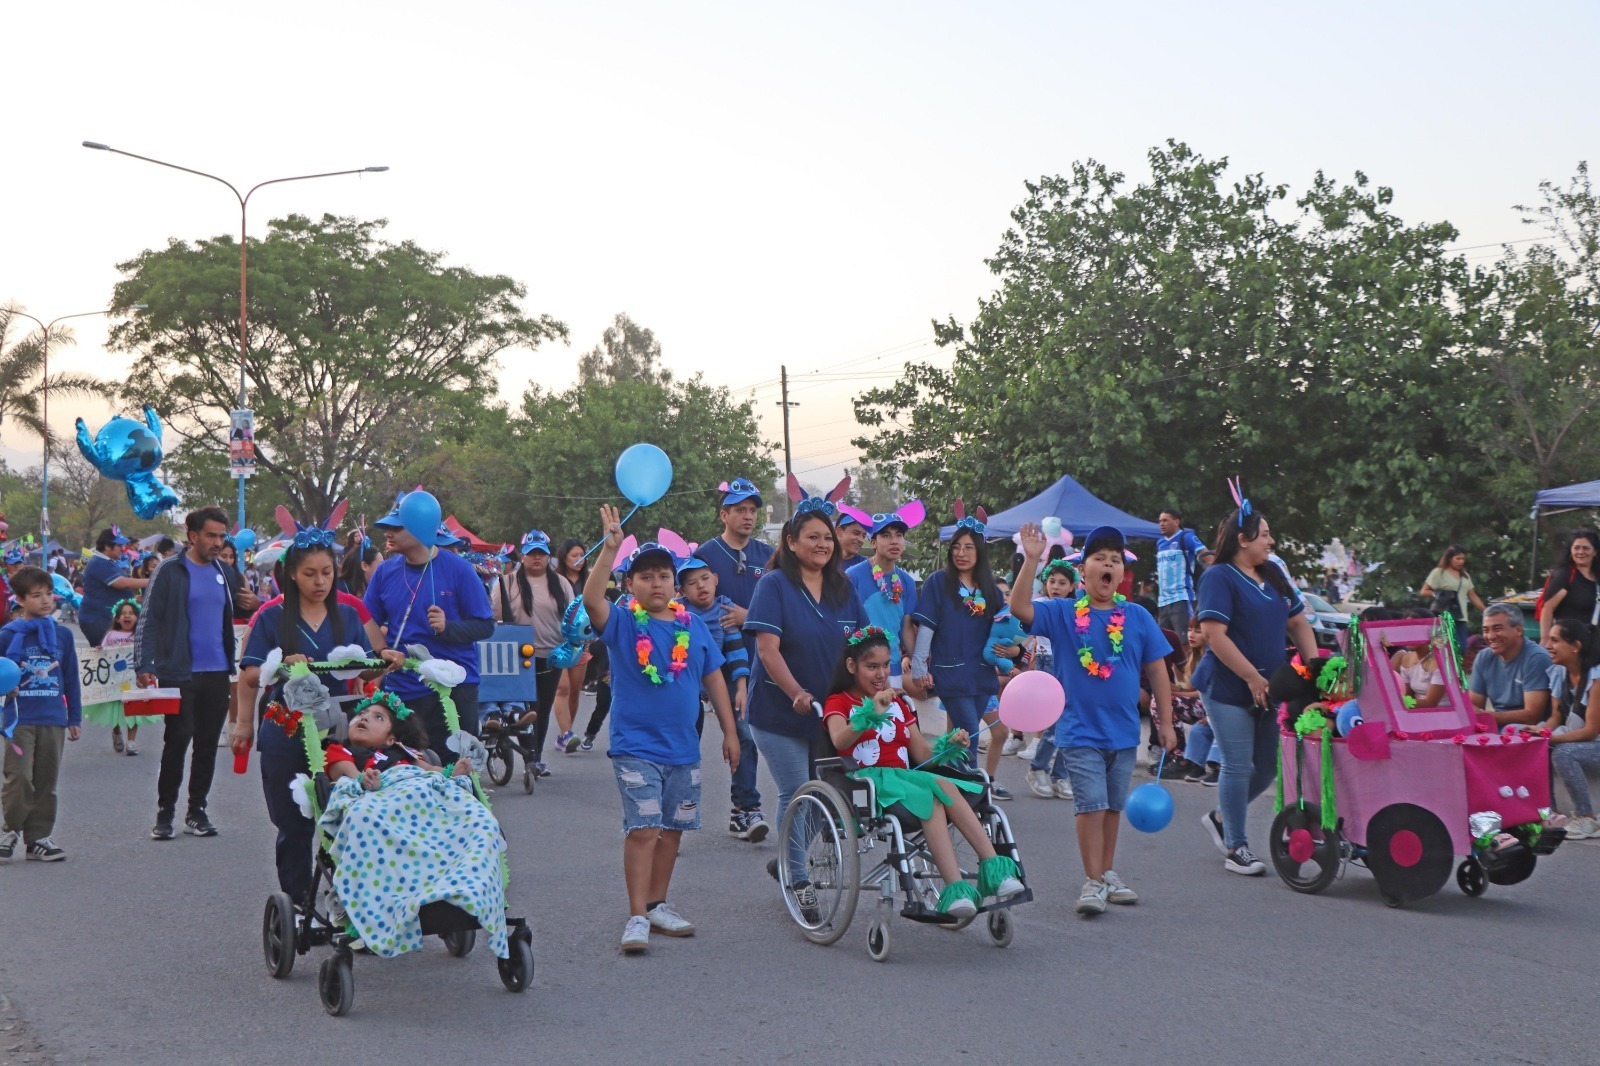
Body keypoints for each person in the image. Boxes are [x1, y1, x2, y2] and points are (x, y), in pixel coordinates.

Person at [585, 507, 739, 955]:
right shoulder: (623, 623)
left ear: (675, 584)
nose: (656, 584)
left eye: (663, 576)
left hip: (684, 749)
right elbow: (593, 601)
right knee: (644, 828)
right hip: (635, 747)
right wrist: (610, 549)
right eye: (645, 576)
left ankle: (657, 904)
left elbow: (715, 680)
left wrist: (730, 733)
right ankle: (636, 915)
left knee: (672, 829)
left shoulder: (693, 628)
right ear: (629, 584)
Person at [1011, 525, 1176, 915]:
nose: (1107, 565)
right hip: (1078, 729)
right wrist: (1032, 560)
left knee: (1113, 807)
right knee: (1091, 806)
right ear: (1082, 572)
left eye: (1114, 560)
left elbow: (1158, 673)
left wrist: (1166, 724)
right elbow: (1020, 609)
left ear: (1122, 574)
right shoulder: (1063, 612)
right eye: (1099, 559)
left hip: (1122, 733)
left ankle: (1106, 872)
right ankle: (1092, 879)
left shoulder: (1136, 616)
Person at [821, 627, 1024, 915]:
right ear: (852, 666)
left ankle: (996, 869)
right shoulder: (839, 702)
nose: (881, 674)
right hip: (867, 784)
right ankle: (955, 890)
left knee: (945, 785)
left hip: (905, 777)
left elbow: (923, 756)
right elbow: (839, 739)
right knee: (930, 798)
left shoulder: (900, 703)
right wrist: (870, 715)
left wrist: (949, 743)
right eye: (871, 667)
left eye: (884, 666)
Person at [233, 530, 374, 904]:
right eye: (310, 573)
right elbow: (249, 673)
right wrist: (279, 664)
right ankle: (297, 901)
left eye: (327, 572)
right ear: (292, 573)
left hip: (340, 730)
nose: (320, 581)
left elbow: (367, 668)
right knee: (294, 825)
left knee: (350, 816)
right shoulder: (272, 616)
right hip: (287, 728)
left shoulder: (347, 614)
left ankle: (350, 898)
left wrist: (384, 661)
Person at [320, 693, 509, 959]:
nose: (363, 718)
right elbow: (349, 777)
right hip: (382, 801)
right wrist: (365, 781)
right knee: (366, 814)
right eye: (360, 715)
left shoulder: (403, 753)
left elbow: (430, 771)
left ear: (391, 738)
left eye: (377, 717)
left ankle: (465, 884)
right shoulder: (341, 751)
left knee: (477, 818)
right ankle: (387, 902)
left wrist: (453, 772)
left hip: (420, 800)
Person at [745, 480, 866, 891]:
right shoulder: (774, 585)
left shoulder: (844, 588)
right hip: (779, 712)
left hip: (830, 713)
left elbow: (863, 644)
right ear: (792, 543)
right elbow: (768, 650)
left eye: (826, 537)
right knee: (797, 790)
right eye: (812, 537)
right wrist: (796, 691)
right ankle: (796, 879)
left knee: (832, 792)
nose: (822, 544)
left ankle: (787, 855)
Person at [1192, 494, 1318, 877]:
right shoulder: (1219, 576)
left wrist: (1313, 670)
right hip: (1228, 687)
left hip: (1270, 687)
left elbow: (1298, 623)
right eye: (1264, 535)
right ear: (1243, 539)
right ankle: (1236, 845)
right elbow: (1214, 635)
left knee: (1265, 770)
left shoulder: (1273, 576)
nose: (1271, 541)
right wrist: (1250, 677)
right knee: (1236, 763)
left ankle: (1220, 817)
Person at [135, 506, 259, 841]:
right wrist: (144, 664)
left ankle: (196, 811)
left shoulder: (225, 571)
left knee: (206, 745)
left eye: (222, 536)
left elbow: (249, 603)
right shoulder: (169, 570)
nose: (218, 543)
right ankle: (165, 814)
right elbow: (149, 619)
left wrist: (253, 601)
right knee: (176, 741)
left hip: (218, 672)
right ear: (193, 536)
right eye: (211, 536)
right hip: (179, 672)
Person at [365, 497, 494, 762]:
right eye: (387, 527)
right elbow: (366, 620)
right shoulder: (384, 572)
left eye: (398, 527)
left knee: (457, 772)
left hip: (454, 689)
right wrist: (382, 651)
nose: (388, 533)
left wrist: (448, 628)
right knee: (408, 770)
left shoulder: (460, 570)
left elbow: (486, 626)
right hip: (404, 690)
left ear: (421, 527)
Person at [909, 503, 1002, 773]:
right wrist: (919, 666)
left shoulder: (992, 592)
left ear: (980, 552)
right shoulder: (938, 581)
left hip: (983, 675)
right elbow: (926, 627)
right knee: (970, 733)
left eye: (968, 547)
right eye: (956, 547)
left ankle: (947, 781)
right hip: (950, 674)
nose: (961, 553)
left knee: (959, 738)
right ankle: (972, 795)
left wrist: (1013, 655)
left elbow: (1002, 631)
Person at [0, 567, 82, 863]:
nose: (46, 600)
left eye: (49, 594)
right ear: (21, 600)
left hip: (53, 718)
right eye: (36, 595)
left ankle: (39, 839)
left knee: (47, 779)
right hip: (18, 719)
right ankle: (9, 831)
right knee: (18, 777)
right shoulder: (7, 635)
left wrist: (74, 718)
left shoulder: (62, 635)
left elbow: (71, 678)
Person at [678, 557, 763, 841]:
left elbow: (736, 649)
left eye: (704, 579)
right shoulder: (677, 612)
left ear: (715, 578)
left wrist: (741, 686)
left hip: (722, 677)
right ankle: (675, 814)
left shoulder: (724, 607)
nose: (700, 586)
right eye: (691, 583)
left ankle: (745, 808)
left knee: (744, 735)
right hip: (686, 682)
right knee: (685, 743)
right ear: (682, 590)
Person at [491, 530, 575, 774]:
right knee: (526, 707)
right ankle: (529, 759)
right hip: (518, 654)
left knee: (543, 707)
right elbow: (495, 617)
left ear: (549, 557)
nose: (536, 558)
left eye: (541, 553)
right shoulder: (506, 582)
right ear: (523, 556)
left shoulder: (561, 583)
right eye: (531, 553)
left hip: (552, 654)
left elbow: (571, 616)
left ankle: (535, 755)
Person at [844, 504, 922, 694]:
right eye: (886, 535)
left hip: (892, 667)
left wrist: (919, 667)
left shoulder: (907, 582)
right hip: (861, 669)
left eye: (899, 535)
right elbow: (845, 626)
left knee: (893, 721)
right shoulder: (853, 576)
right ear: (873, 542)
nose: (894, 541)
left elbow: (906, 628)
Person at [1023, 559, 1077, 799]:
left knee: (1071, 722)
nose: (1055, 586)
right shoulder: (1041, 605)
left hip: (1069, 665)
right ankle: (1038, 768)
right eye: (1051, 581)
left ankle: (1060, 775)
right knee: (1054, 723)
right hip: (1047, 664)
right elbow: (1028, 632)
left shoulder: (1078, 607)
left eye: (1062, 582)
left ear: (1072, 586)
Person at [1542, 620, 1600, 839]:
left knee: (1564, 753)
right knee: (1535, 746)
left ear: (1575, 646)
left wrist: (1551, 739)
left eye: (1555, 640)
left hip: (1595, 742)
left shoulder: (1596, 677)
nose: (1547, 645)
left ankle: (1587, 817)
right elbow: (1556, 716)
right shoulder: (1559, 673)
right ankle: (1551, 812)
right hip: (1582, 739)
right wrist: (1540, 733)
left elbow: (1591, 732)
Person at [692, 477, 774, 629]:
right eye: (740, 510)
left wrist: (749, 618)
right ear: (724, 516)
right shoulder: (704, 555)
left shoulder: (770, 556)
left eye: (752, 511)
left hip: (761, 648)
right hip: (718, 646)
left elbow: (780, 608)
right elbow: (691, 608)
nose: (748, 516)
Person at [1470, 603, 1552, 727]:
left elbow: (1532, 716)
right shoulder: (1484, 657)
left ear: (1518, 630)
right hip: (1497, 725)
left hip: (1528, 730)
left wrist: (1486, 716)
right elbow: (1473, 705)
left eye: (1497, 629)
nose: (1490, 636)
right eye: (1486, 630)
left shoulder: (1536, 658)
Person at [91, 599, 151, 756]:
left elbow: (146, 653)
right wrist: (99, 650)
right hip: (115, 679)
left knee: (134, 710)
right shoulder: (111, 635)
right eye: (123, 613)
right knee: (117, 711)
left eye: (131, 613)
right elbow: (103, 651)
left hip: (134, 679)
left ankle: (131, 742)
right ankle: (116, 731)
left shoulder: (139, 635)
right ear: (117, 618)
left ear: (137, 617)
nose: (127, 616)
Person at [77, 526, 149, 648]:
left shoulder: (108, 562)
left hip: (104, 617)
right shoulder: (99, 562)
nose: (122, 549)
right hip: (98, 619)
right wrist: (152, 580)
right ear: (107, 546)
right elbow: (122, 583)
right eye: (119, 546)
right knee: (106, 655)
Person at [552, 537, 592, 748]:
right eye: (574, 555)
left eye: (581, 555)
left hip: (582, 643)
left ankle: (565, 733)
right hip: (557, 641)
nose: (579, 559)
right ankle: (566, 733)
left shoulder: (589, 581)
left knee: (575, 690)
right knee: (562, 689)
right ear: (564, 557)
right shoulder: (555, 580)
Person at [1155, 508, 1213, 639]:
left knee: (1185, 641)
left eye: (1165, 520)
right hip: (1163, 601)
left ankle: (1190, 660)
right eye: (1160, 521)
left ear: (1176, 521)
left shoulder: (1186, 538)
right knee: (1165, 643)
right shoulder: (1160, 543)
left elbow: (1208, 558)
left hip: (1181, 598)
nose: (1161, 524)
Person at [1179, 617, 1222, 784]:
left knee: (1217, 727)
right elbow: (1193, 686)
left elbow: (1200, 691)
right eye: (1190, 630)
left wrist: (1211, 716)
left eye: (1197, 631)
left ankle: (1218, 768)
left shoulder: (1216, 657)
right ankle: (1196, 764)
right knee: (1199, 729)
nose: (1191, 635)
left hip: (1222, 709)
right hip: (1209, 707)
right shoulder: (1195, 656)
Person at [1539, 530, 1600, 641]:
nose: (1580, 552)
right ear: (1571, 550)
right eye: (1576, 548)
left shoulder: (1597, 577)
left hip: (1592, 643)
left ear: (1595, 552)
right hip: (1567, 643)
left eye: (1586, 548)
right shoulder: (1565, 575)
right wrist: (1545, 640)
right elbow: (1548, 608)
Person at [1421, 544, 1485, 644]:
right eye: (1458, 558)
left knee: (1462, 648)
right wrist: (1438, 594)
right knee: (1450, 648)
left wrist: (1485, 611)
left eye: (1463, 559)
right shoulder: (1439, 572)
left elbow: (1472, 595)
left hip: (1460, 616)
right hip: (1444, 615)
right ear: (1449, 558)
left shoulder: (1465, 576)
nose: (1461, 561)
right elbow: (1424, 591)